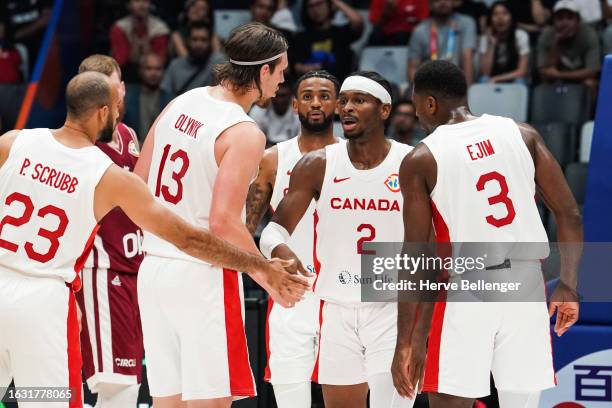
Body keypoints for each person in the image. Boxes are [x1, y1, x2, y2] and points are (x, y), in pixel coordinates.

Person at [0, 71, 307, 408]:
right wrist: (258, 266)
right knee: (45, 400)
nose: (120, 116)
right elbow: (188, 238)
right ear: (103, 111)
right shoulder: (107, 175)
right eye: (117, 108)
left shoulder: (15, 141)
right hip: (42, 299)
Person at [392, 60, 582, 408]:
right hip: (525, 284)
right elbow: (568, 212)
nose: (418, 116)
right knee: (521, 402)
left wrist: (405, 340)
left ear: (430, 103)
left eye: (418, 106)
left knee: (450, 400)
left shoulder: (421, 158)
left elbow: (415, 257)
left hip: (468, 286)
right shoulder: (522, 134)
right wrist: (568, 285)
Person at [133, 22, 298, 408]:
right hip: (202, 276)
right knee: (211, 403)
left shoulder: (182, 101)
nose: (283, 80)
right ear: (262, 72)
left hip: (153, 270)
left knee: (167, 401)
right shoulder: (244, 132)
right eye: (281, 70)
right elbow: (224, 221)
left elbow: (139, 183)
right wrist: (266, 273)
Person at [259, 71, 415, 408]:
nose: (347, 108)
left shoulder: (411, 162)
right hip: (333, 302)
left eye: (357, 101)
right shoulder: (315, 164)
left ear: (384, 110)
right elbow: (271, 229)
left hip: (389, 302)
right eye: (344, 101)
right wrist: (280, 253)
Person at [246, 70, 340, 408]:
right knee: (290, 398)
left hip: (343, 295)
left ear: (339, 105)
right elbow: (246, 229)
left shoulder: (356, 159)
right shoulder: (273, 158)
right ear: (296, 103)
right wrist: (265, 275)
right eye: (309, 95)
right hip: (291, 292)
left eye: (325, 95)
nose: (316, 102)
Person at [75, 54, 143, 408]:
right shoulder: (80, 146)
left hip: (136, 271)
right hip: (103, 273)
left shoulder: (129, 135)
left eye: (111, 86)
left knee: (127, 384)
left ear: (122, 89)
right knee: (118, 387)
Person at [537, 0, 601, 94]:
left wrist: (560, 74)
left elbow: (592, 71)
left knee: (590, 83)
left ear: (578, 20)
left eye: (569, 18)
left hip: (581, 80)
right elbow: (545, 73)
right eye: (560, 18)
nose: (565, 23)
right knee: (544, 85)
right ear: (553, 21)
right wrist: (556, 43)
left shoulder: (589, 35)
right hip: (556, 81)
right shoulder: (546, 36)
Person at [291, 0, 364, 81]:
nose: (315, 10)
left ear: (330, 5)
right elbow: (295, 66)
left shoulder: (340, 33)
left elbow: (357, 21)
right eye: (311, 6)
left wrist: (336, 2)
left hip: (341, 86)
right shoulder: (301, 38)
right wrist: (308, 69)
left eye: (319, 4)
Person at [408, 0, 477, 85]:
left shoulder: (466, 23)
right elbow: (413, 68)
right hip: (429, 83)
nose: (443, 2)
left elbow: (467, 57)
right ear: (430, 5)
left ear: (454, 2)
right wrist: (422, 92)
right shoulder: (420, 30)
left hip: (457, 83)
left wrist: (466, 90)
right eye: (437, 0)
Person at [161, 22, 225, 99]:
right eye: (194, 39)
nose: (199, 44)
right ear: (187, 41)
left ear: (209, 42)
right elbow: (166, 97)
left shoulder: (217, 62)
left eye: (203, 40)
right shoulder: (175, 66)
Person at [109, 0, 170, 81]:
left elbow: (160, 61)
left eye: (145, 1)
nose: (141, 5)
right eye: (137, 1)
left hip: (154, 78)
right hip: (126, 75)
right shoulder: (119, 28)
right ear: (128, 5)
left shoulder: (159, 28)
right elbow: (120, 61)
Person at [479, 1, 530, 84]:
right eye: (495, 14)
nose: (500, 18)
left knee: (520, 81)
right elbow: (485, 72)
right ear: (490, 19)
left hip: (513, 77)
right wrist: (491, 45)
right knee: (483, 80)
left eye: (505, 13)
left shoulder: (521, 36)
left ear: (511, 17)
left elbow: (522, 71)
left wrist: (498, 78)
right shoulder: (485, 39)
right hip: (492, 78)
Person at [124, 52, 172, 142]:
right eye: (149, 68)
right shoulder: (127, 97)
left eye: (158, 69)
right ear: (140, 71)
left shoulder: (170, 99)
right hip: (132, 149)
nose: (153, 73)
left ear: (163, 71)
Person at [249, 80, 301, 146]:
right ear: (270, 95)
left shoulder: (300, 110)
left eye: (283, 96)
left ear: (291, 95)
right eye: (276, 95)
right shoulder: (258, 110)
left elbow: (302, 142)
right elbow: (254, 141)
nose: (280, 100)